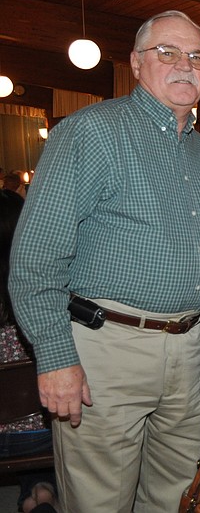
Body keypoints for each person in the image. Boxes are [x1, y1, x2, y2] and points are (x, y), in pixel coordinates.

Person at [9, 10, 200, 512]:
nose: (184, 66)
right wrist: (56, 357)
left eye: (196, 56)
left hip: (187, 347)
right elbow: (34, 260)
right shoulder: (90, 133)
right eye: (166, 53)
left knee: (174, 497)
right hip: (107, 352)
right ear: (136, 63)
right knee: (99, 501)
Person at [0, 192, 58, 513]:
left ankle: (35, 493)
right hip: (39, 433)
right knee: (45, 421)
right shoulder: (35, 292)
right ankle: (42, 490)